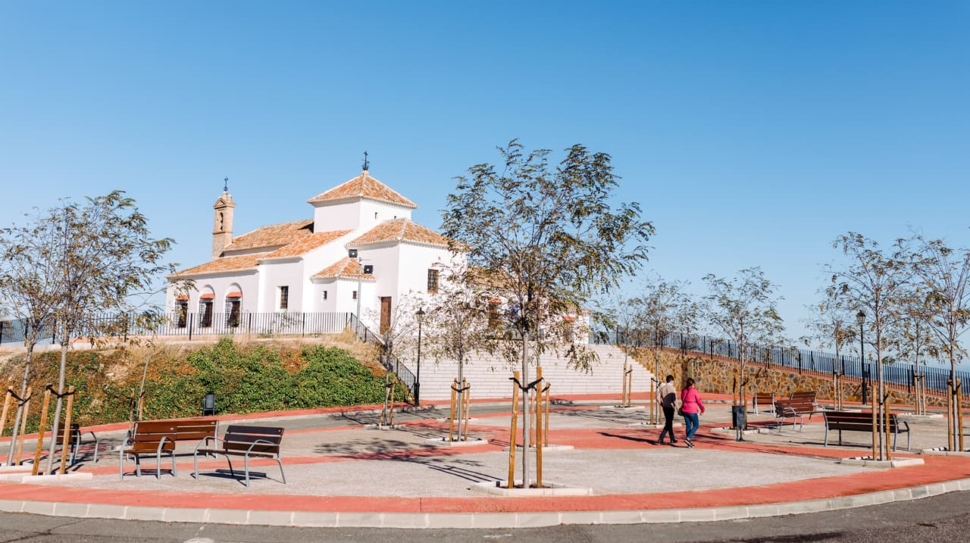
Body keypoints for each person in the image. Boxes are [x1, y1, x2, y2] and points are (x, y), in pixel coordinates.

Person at [680, 377, 705, 448]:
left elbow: (682, 399)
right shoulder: (694, 391)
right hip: (692, 410)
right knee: (696, 425)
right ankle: (688, 438)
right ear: (693, 384)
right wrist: (702, 409)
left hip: (685, 409)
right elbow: (699, 401)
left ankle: (689, 441)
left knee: (688, 426)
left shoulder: (683, 390)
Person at [656, 375, 678, 445]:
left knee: (669, 422)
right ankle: (661, 437)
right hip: (671, 407)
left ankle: (672, 438)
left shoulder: (662, 388)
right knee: (669, 423)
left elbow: (657, 398)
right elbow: (675, 399)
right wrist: (677, 408)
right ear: (671, 380)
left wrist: (661, 404)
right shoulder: (672, 388)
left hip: (665, 407)